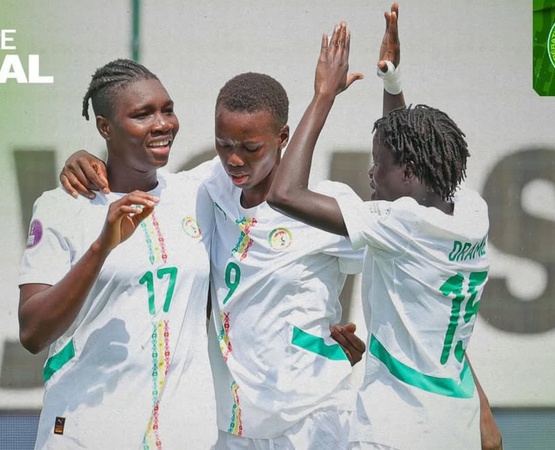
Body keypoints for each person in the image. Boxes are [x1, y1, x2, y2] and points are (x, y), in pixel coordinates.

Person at [61, 72, 366, 450]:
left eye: (251, 148)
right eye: (223, 145)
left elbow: (403, 260)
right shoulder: (208, 188)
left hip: (315, 418)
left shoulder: (329, 204)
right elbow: (138, 178)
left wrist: (376, 339)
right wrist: (86, 160)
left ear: (282, 138)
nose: (234, 160)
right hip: (232, 426)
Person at [266, 9, 499, 449]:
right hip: (456, 423)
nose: (371, 173)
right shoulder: (471, 211)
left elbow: (285, 193)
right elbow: (407, 150)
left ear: (408, 171)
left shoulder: (402, 224)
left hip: (398, 430)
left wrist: (323, 97)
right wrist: (392, 83)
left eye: (379, 164)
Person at [18, 58, 216, 449]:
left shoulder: (200, 192)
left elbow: (267, 149)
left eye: (167, 109)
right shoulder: (63, 207)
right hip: (88, 431)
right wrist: (101, 247)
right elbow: (32, 332)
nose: (162, 124)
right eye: (142, 114)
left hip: (182, 435)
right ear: (105, 127)